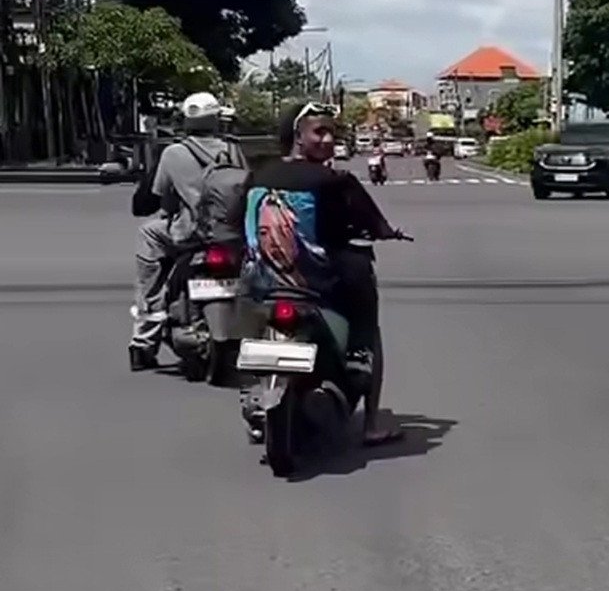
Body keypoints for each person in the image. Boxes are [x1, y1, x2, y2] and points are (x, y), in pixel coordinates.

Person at [236, 102, 406, 446]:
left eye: (332, 133)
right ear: (298, 137)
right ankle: (371, 420)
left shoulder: (258, 175)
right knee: (366, 314)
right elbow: (372, 222)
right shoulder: (335, 181)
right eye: (320, 132)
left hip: (263, 282)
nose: (328, 140)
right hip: (318, 283)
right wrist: (387, 231)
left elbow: (235, 218)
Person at [129, 91, 246, 371]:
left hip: (190, 235)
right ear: (216, 119)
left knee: (149, 234)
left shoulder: (174, 153)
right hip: (232, 235)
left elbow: (162, 198)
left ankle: (145, 334)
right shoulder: (233, 150)